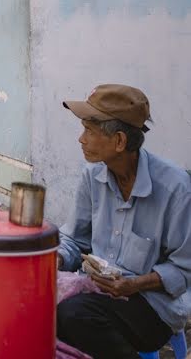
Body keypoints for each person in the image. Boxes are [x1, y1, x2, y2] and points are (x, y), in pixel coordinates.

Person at [56, 84, 191, 359]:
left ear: (119, 141)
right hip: (98, 294)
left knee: (72, 316)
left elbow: (184, 269)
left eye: (89, 131)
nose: (81, 140)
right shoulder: (91, 177)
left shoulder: (175, 188)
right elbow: (73, 240)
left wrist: (135, 284)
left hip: (153, 305)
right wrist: (56, 259)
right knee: (39, 309)